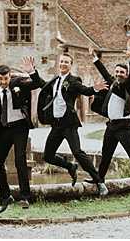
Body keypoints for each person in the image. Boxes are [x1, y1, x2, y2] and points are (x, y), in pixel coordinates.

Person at [25, 54, 110, 196]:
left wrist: (95, 88)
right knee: (48, 156)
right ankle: (70, 166)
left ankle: (99, 181)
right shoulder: (55, 80)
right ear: (59, 63)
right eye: (62, 61)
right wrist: (32, 72)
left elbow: (85, 90)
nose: (63, 64)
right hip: (56, 125)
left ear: (71, 65)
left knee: (77, 152)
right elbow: (41, 84)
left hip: (69, 125)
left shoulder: (73, 81)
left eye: (67, 62)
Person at [88, 40, 130, 194]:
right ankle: (100, 180)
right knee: (106, 154)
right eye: (117, 72)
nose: (118, 74)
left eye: (121, 72)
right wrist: (94, 57)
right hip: (111, 126)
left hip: (124, 126)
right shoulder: (113, 84)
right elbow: (104, 73)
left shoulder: (128, 87)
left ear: (126, 75)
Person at [0, 62, 41, 214]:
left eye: (6, 78)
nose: (3, 82)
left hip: (20, 127)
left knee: (20, 159)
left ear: (10, 76)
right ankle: (5, 195)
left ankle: (25, 196)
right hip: (4, 128)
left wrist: (32, 72)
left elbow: (38, 83)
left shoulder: (18, 83)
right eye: (1, 79)